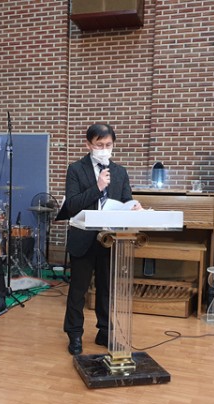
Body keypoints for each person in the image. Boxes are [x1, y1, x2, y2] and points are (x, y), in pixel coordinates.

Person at [61, 123, 142, 355]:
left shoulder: (120, 172)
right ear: (88, 144)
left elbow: (125, 199)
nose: (104, 149)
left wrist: (133, 206)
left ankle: (104, 332)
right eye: (99, 144)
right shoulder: (76, 169)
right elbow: (72, 204)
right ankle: (74, 334)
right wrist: (97, 187)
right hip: (83, 237)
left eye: (108, 144)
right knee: (78, 290)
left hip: (109, 238)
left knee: (106, 290)